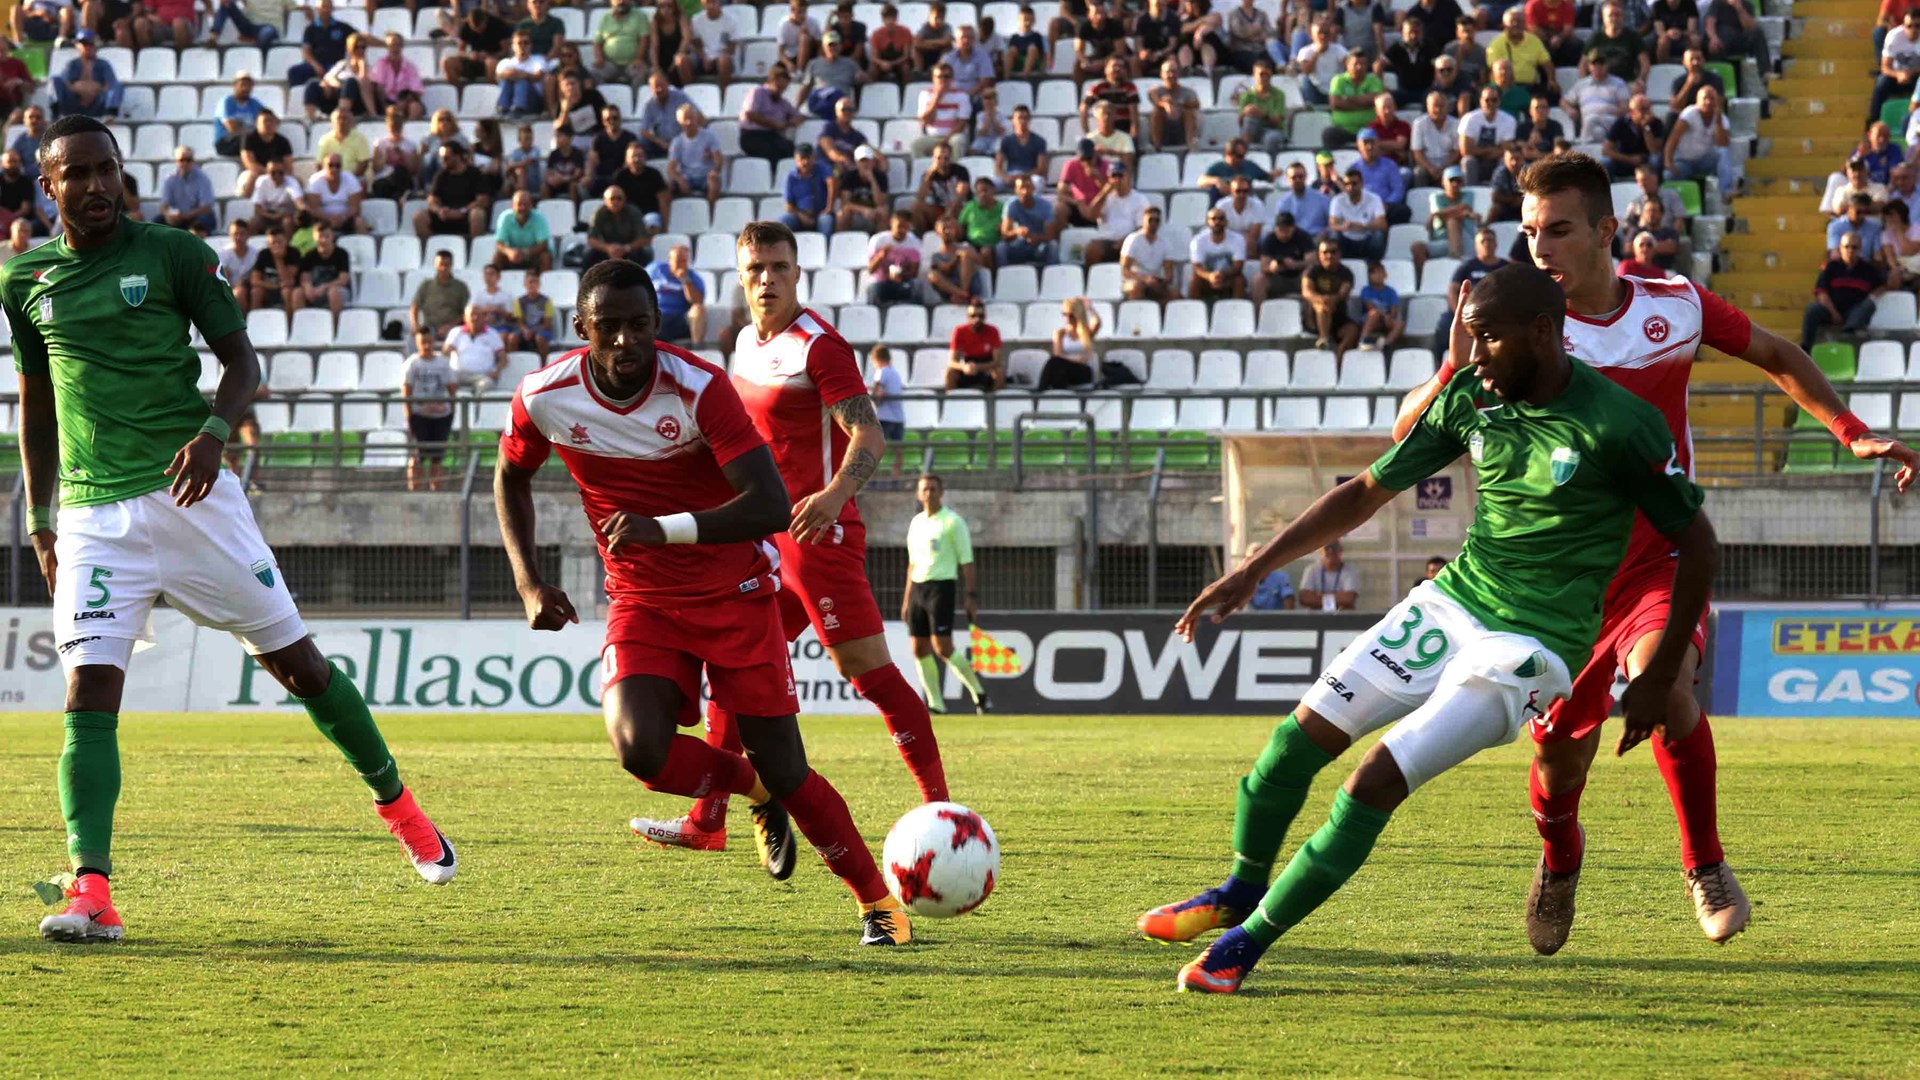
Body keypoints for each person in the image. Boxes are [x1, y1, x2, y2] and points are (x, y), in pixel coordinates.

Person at [1146, 262, 1718, 996]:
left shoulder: (1619, 423)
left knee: (1372, 781)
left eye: (1487, 339)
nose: (1474, 355)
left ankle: (1244, 945)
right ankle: (1239, 888)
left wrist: (1662, 671)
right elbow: (1365, 490)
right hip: (1454, 601)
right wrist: (1254, 568)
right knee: (1290, 748)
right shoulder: (1475, 399)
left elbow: (1698, 543)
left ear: (1541, 334)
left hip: (1535, 647)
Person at [1394, 152, 1918, 949]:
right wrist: (1457, 367)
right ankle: (1560, 858)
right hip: (1559, 588)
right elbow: (1409, 438)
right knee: (1559, 771)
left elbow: (1777, 353)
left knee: (1670, 688)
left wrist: (1850, 433)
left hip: (1657, 566)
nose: (1541, 248)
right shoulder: (1520, 323)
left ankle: (1705, 864)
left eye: (1559, 230)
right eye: (1530, 231)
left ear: (1608, 229)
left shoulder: (1672, 304)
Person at [7, 116, 457, 944]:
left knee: (297, 666)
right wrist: (40, 519)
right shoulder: (25, 280)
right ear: (49, 187)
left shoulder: (171, 254)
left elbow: (243, 361)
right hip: (92, 515)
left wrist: (215, 432)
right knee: (88, 691)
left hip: (194, 498)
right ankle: (92, 890)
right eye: (78, 174)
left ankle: (401, 807)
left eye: (108, 169)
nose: (98, 185)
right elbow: (37, 404)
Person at [496, 258, 911, 946]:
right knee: (640, 751)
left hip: (736, 593)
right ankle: (752, 790)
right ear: (581, 329)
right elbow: (510, 476)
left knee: (789, 765)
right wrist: (528, 582)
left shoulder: (699, 388)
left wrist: (667, 529)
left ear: (658, 325)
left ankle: (878, 904)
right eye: (610, 327)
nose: (627, 341)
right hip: (641, 598)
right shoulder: (546, 394)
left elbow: (770, 504)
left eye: (640, 325)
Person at [633, 222, 951, 888]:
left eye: (779, 266)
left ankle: (941, 814)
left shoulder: (819, 347)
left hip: (818, 538)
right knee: (732, 667)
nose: (767, 279)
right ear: (741, 276)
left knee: (871, 677)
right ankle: (708, 818)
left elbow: (868, 431)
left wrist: (837, 494)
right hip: (765, 540)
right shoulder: (746, 343)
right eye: (755, 268)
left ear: (797, 272)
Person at [902, 474, 989, 715]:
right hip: (918, 588)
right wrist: (907, 599)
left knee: (943, 647)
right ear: (919, 494)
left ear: (941, 492)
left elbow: (967, 562)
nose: (928, 493)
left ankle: (979, 693)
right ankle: (935, 704)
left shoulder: (952, 522)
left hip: (942, 587)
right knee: (918, 649)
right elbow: (912, 563)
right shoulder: (916, 523)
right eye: (924, 489)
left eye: (932, 489)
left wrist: (971, 595)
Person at [1803, 233, 1886, 349]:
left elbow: (1882, 286)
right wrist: (1834, 313)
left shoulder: (1868, 269)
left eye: (1854, 247)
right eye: (1847, 247)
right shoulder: (1830, 267)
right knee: (1812, 309)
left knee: (1869, 305)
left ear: (1860, 249)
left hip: (1855, 311)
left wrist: (1873, 294)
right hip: (1831, 310)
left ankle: (1846, 335)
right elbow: (1822, 294)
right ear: (1840, 248)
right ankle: (1806, 349)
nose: (1850, 250)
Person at [400, 328, 456, 492]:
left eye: (429, 342)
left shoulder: (443, 363)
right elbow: (406, 391)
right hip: (420, 416)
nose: (427, 346)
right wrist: (409, 417)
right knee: (417, 456)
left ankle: (436, 490)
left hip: (441, 416)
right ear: (417, 344)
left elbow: (452, 388)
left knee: (437, 458)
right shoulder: (412, 364)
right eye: (423, 342)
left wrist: (450, 412)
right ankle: (414, 490)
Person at [1663, 84, 1735, 197]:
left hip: (1704, 161)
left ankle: (1726, 192)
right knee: (1668, 176)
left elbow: (1722, 145)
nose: (1708, 102)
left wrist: (1718, 122)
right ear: (1697, 101)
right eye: (1705, 98)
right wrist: (1668, 161)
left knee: (1723, 153)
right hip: (1684, 161)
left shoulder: (1722, 119)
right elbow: (1673, 138)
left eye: (1712, 99)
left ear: (1718, 102)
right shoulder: (1689, 114)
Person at [415, 142, 493, 238]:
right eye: (441, 158)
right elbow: (432, 199)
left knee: (477, 215)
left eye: (446, 158)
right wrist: (439, 210)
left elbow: (483, 200)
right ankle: (430, 248)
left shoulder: (475, 174)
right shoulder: (441, 175)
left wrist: (461, 211)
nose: (442, 161)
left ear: (458, 156)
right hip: (445, 216)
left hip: (466, 215)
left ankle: (475, 248)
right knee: (419, 217)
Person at [1303, 236, 1360, 354]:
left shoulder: (1346, 273)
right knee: (1322, 307)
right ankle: (1324, 340)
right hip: (1315, 318)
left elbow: (1343, 293)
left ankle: (1339, 354)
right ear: (1319, 254)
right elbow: (1307, 292)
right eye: (1325, 252)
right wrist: (1321, 299)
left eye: (1333, 252)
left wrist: (1331, 299)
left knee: (1353, 330)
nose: (1329, 255)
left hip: (1338, 316)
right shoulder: (1312, 271)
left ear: (1339, 254)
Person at [51, 31, 123, 120]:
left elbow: (110, 83)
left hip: (97, 103)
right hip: (74, 102)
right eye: (84, 44)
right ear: (77, 46)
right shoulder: (72, 64)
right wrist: (81, 90)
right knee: (54, 80)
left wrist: (94, 90)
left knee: (117, 85)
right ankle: (56, 113)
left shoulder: (104, 64)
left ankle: (110, 114)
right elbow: (66, 82)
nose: (88, 47)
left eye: (91, 44)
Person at [740, 65, 803, 162]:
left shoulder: (783, 102)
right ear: (771, 81)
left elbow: (799, 116)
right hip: (752, 136)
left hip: (773, 137)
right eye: (779, 87)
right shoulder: (758, 93)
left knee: (793, 150)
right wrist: (775, 125)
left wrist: (791, 122)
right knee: (774, 154)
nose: (781, 91)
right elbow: (751, 114)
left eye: (784, 88)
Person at [1459, 85, 1517, 184]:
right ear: (1481, 101)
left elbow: (1506, 150)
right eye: (1487, 100)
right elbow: (1466, 151)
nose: (1490, 103)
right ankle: (1471, 191)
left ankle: (1498, 192)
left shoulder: (1509, 120)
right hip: (1475, 160)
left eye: (1494, 100)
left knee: (1505, 160)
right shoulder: (1469, 119)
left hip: (1496, 160)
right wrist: (1491, 150)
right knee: (1468, 161)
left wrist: (1478, 151)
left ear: (1499, 101)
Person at [649, 243, 706, 343]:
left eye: (684, 261)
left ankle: (697, 348)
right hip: (656, 316)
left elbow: (697, 301)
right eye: (677, 261)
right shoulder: (655, 269)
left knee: (698, 309)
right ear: (669, 260)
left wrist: (686, 281)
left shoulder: (693, 277)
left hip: (679, 318)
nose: (681, 264)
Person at [444, 302, 507, 392]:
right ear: (465, 318)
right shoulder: (456, 332)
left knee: (486, 384)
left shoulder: (492, 334)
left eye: (478, 315)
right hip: (458, 374)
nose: (475, 317)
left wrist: (496, 371)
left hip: (482, 375)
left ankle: (476, 406)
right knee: (445, 381)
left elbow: (503, 358)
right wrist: (448, 350)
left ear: (484, 317)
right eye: (472, 314)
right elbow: (446, 352)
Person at [666, 104, 722, 205]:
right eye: (685, 119)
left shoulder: (709, 136)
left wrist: (714, 171)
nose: (689, 122)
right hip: (687, 176)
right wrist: (680, 179)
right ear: (680, 122)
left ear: (696, 118)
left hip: (705, 176)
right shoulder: (677, 142)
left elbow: (718, 159)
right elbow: (671, 168)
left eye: (691, 118)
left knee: (714, 181)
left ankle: (710, 213)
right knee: (669, 185)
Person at [996, 174, 1056, 267]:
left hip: (1039, 247)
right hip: (1019, 245)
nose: (1025, 191)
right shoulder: (1011, 205)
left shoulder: (1045, 206)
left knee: (1053, 245)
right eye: (1021, 188)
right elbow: (1005, 234)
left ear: (1033, 188)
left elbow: (1050, 235)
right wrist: (1017, 232)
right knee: (1000, 247)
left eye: (1028, 187)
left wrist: (1035, 238)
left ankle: (1053, 275)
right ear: (1016, 190)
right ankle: (1002, 276)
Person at [1040, 297, 1100, 389]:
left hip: (1083, 371)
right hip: (1065, 369)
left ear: (1077, 315)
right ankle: (1053, 395)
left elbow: (1097, 322)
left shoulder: (1086, 333)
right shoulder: (1060, 333)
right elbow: (1058, 355)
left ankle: (1040, 391)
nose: (1067, 318)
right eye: (1064, 314)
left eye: (1071, 315)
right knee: (1057, 367)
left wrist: (1090, 308)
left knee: (1056, 365)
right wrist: (1077, 358)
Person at [912, 62, 972, 156]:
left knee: (958, 141)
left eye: (946, 76)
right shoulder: (925, 95)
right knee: (916, 145)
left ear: (952, 78)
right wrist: (936, 99)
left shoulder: (962, 96)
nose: (943, 79)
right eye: (939, 77)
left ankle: (955, 170)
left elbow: (961, 124)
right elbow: (925, 120)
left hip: (953, 136)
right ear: (933, 79)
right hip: (932, 137)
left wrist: (945, 140)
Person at [1188, 207, 1247, 301]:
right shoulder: (1198, 240)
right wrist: (1210, 276)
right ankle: (1192, 311)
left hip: (1229, 277)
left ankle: (1238, 309)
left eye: (1221, 218)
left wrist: (1222, 275)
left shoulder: (1238, 239)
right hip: (1207, 278)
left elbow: (1238, 267)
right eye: (1213, 219)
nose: (1217, 221)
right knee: (1194, 280)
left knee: (1239, 280)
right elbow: (1197, 267)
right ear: (1207, 222)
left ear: (1226, 222)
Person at [1255, 211, 1314, 302]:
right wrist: (1271, 268)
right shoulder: (1270, 239)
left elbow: (1312, 261)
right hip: (1278, 278)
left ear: (1293, 228)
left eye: (1287, 231)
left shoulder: (1303, 237)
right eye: (1281, 230)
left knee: (1309, 274)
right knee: (1259, 279)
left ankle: (1309, 313)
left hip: (1299, 277)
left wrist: (1296, 264)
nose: (1284, 234)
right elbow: (1263, 266)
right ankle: (1259, 313)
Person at [296, 222, 352, 317]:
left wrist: (324, 287)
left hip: (336, 289)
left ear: (332, 236)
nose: (324, 240)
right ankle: (301, 324)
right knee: (297, 293)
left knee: (333, 292)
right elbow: (305, 277)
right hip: (316, 290)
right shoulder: (310, 255)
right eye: (320, 237)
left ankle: (335, 326)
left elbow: (343, 280)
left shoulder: (341, 254)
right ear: (314, 237)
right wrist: (308, 287)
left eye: (327, 236)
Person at [1119, 205, 1174, 301]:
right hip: (1134, 280)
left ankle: (1161, 315)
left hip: (1154, 280)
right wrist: (1144, 279)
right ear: (1143, 220)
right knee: (1137, 287)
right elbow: (1125, 270)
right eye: (1150, 219)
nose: (1153, 223)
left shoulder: (1165, 243)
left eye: (1156, 220)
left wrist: (1162, 282)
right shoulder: (1133, 239)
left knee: (1174, 293)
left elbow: (1169, 272)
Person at [305, 152, 368, 235]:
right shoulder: (315, 181)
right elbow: (313, 209)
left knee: (359, 222)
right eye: (330, 165)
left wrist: (343, 218)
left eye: (337, 166)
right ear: (323, 166)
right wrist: (329, 218)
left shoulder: (351, 179)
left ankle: (362, 246)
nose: (334, 169)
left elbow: (355, 207)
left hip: (346, 218)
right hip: (322, 219)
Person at [780, 144, 835, 239]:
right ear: (796, 159)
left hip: (820, 213)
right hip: (800, 214)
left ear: (813, 157)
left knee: (826, 221)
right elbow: (789, 205)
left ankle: (824, 249)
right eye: (802, 158)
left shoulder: (821, 169)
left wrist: (829, 208)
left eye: (808, 158)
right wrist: (802, 217)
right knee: (784, 221)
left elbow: (832, 184)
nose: (805, 162)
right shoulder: (791, 177)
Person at [593, 0, 652, 87]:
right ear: (611, 2)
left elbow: (644, 39)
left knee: (641, 72)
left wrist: (639, 58)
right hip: (610, 63)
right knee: (594, 72)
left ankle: (635, 99)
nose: (621, 1)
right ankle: (602, 100)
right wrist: (599, 58)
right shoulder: (605, 18)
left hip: (632, 63)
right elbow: (597, 42)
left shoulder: (640, 16)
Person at [411, 249, 470, 337]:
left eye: (446, 265)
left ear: (451, 265)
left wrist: (450, 326)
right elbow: (415, 306)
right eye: (440, 265)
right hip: (429, 328)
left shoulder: (460, 287)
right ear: (435, 265)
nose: (443, 268)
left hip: (453, 329)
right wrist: (415, 325)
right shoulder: (426, 285)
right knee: (414, 338)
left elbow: (466, 313)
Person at [868, 345, 907, 475]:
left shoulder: (882, 371)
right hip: (898, 417)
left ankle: (875, 478)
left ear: (876, 359)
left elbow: (877, 390)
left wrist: (874, 399)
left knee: (876, 449)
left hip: (884, 417)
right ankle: (896, 477)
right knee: (898, 450)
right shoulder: (895, 373)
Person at [493, 189, 553, 273]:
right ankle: (493, 285)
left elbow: (543, 244)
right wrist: (509, 252)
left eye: (526, 204)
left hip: (533, 255)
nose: (522, 207)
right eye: (519, 204)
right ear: (513, 206)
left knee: (545, 257)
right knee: (498, 256)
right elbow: (499, 244)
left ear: (531, 205)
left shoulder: (540, 219)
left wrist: (525, 253)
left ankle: (547, 284)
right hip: (513, 256)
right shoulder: (505, 218)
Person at [505, 268, 558, 358]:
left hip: (541, 330)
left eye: (535, 282)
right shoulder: (519, 301)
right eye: (530, 282)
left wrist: (533, 331)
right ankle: (513, 362)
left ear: (539, 284)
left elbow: (547, 324)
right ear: (525, 284)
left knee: (539, 338)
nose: (532, 285)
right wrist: (525, 330)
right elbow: (520, 322)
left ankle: (543, 364)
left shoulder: (546, 301)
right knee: (512, 338)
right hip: (525, 330)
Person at [1299, 541, 1360, 609]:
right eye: (1327, 548)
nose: (1331, 551)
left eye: (1335, 547)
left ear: (1341, 551)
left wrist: (1317, 597)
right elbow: (1305, 599)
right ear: (1320, 551)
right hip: (1317, 617)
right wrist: (1338, 598)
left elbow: (1348, 599)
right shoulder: (1311, 570)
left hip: (1342, 616)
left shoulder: (1350, 571)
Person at [1358, 262, 1405, 348]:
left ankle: (1386, 344)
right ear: (1369, 277)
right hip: (1371, 320)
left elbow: (1394, 310)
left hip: (1387, 320)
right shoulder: (1366, 290)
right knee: (1374, 313)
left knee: (1400, 324)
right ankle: (1363, 340)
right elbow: (1370, 306)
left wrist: (1389, 317)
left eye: (1380, 272)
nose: (1378, 275)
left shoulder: (1391, 292)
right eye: (1374, 273)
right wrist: (1384, 316)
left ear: (1385, 275)